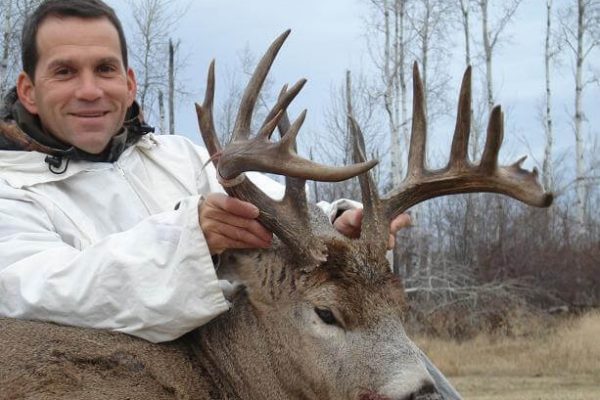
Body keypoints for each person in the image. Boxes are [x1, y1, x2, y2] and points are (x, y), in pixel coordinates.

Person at [0, 0, 410, 343]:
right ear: (28, 91)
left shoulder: (178, 158)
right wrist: (189, 241)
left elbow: (282, 214)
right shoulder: (10, 189)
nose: (89, 90)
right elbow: (38, 291)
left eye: (105, 69)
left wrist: (337, 226)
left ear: (129, 84)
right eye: (64, 71)